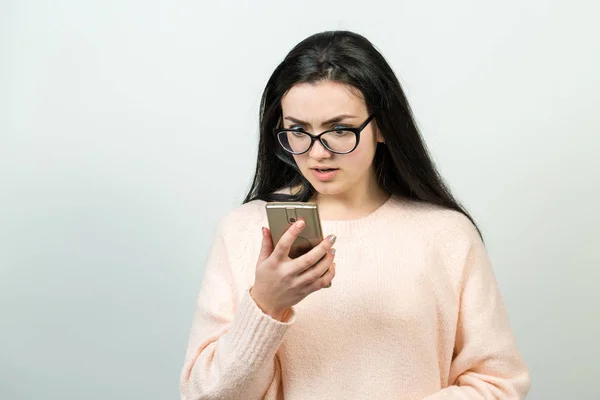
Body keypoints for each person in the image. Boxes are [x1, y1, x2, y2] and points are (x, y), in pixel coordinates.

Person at [179, 30, 531, 400]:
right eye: (298, 131)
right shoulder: (244, 231)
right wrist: (266, 304)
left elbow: (498, 385)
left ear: (381, 127)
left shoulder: (446, 235)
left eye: (340, 130)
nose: (317, 153)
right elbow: (204, 395)